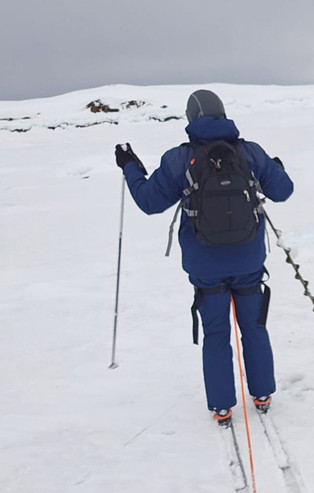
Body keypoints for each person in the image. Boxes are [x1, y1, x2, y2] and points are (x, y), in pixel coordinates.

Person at [115, 89, 293, 423]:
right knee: (254, 326)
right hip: (248, 260)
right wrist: (276, 168)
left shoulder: (179, 159)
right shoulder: (250, 152)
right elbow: (283, 190)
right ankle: (262, 393)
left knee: (216, 332)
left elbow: (150, 203)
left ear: (190, 119)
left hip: (205, 265)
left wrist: (130, 167)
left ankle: (222, 406)